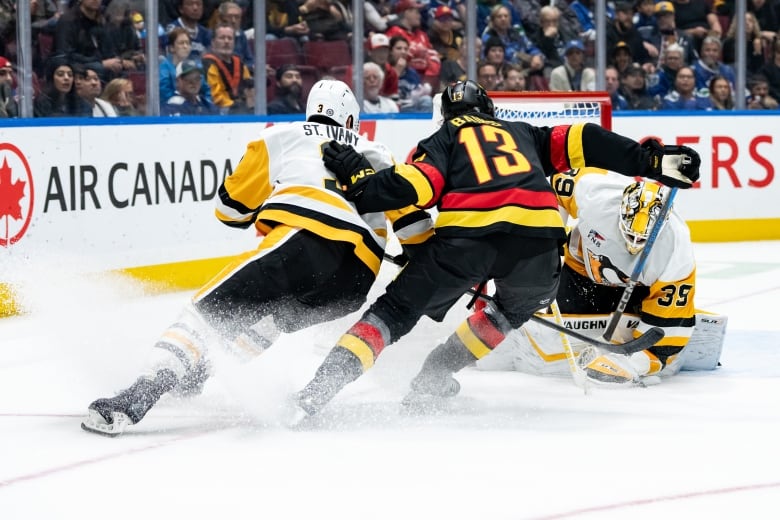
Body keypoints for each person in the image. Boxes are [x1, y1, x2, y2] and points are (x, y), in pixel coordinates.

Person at [292, 80, 701, 418]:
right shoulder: (525, 133)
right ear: (489, 110)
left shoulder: (441, 140)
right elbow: (585, 138)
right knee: (506, 312)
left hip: (466, 244)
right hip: (540, 253)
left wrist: (357, 172)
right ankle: (434, 376)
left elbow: (409, 191)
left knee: (394, 313)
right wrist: (649, 161)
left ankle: (316, 391)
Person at [81, 79, 433, 436]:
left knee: (205, 313)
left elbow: (230, 210)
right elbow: (414, 231)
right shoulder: (379, 151)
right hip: (354, 282)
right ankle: (197, 372)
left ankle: (137, 396)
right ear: (351, 120)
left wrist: (275, 198)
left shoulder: (283, 135)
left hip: (302, 242)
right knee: (270, 320)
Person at [202, 22, 253, 114]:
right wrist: (235, 106)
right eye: (222, 38)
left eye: (230, 38)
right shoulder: (208, 63)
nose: (226, 41)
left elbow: (248, 88)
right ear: (213, 42)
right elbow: (215, 96)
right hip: (218, 111)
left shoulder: (240, 63)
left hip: (241, 109)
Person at [160, 27, 213, 109]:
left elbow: (206, 89)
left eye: (187, 43)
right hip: (173, 108)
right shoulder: (164, 66)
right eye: (181, 43)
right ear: (172, 48)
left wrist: (206, 104)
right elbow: (165, 92)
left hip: (195, 107)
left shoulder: (195, 64)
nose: (185, 46)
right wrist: (184, 104)